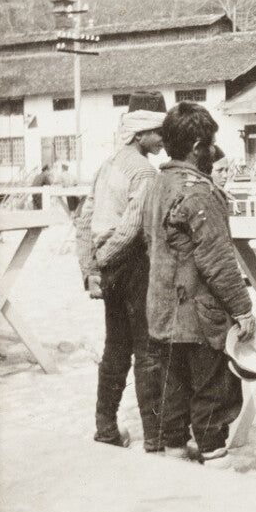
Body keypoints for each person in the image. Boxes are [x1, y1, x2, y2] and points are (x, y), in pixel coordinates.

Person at [143, 102, 256, 463]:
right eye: (209, 145)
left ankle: (175, 455)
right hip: (198, 317)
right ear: (197, 147)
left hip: (162, 312)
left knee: (173, 392)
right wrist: (243, 310)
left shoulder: (158, 183)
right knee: (212, 395)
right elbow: (218, 261)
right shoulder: (198, 192)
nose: (212, 153)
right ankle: (214, 458)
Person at [75, 91, 167, 450]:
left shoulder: (108, 164)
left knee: (115, 348)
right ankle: (156, 438)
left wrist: (91, 268)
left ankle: (106, 429)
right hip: (131, 265)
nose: (163, 139)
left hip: (109, 269)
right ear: (141, 132)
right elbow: (130, 229)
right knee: (147, 352)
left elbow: (84, 221)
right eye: (159, 131)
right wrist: (103, 261)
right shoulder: (144, 171)